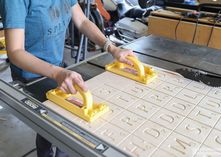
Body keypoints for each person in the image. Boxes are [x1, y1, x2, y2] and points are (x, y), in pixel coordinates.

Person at [0, 0, 135, 157]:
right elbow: (15, 52)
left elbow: (82, 20)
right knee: (64, 125)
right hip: (31, 75)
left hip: (58, 67)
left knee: (57, 123)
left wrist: (112, 48)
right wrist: (57, 73)